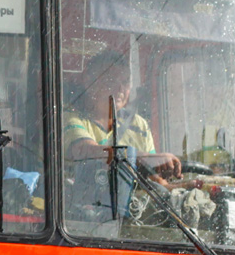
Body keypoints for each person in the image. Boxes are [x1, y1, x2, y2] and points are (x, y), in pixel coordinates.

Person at [64, 49, 181, 179]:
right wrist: (145, 158)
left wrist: (187, 186)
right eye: (111, 80)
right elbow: (86, 151)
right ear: (89, 82)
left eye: (125, 82)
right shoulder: (68, 118)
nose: (120, 89)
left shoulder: (138, 124)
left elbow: (154, 182)